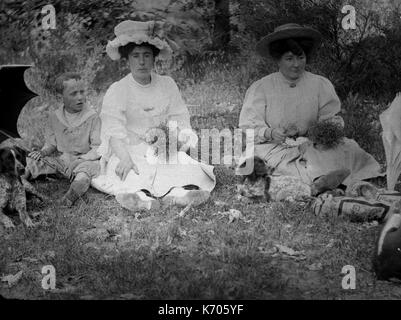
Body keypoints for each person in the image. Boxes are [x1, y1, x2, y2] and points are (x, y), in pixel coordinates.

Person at [238, 23, 383, 193]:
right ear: (278, 60)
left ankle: (327, 179)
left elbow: (330, 118)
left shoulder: (320, 84)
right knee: (267, 164)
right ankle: (319, 182)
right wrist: (270, 132)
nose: (296, 64)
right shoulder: (261, 87)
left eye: (301, 57)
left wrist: (321, 132)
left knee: (348, 148)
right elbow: (248, 125)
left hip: (313, 144)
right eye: (289, 58)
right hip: (274, 147)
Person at [91, 20, 215, 210]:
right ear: (127, 59)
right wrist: (124, 157)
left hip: (162, 149)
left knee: (188, 168)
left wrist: (174, 142)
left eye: (147, 55)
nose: (141, 62)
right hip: (129, 149)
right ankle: (141, 197)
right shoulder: (118, 89)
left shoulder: (167, 84)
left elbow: (180, 119)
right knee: (131, 172)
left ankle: (179, 193)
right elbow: (113, 130)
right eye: (136, 56)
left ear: (154, 58)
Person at [26, 72, 101, 206]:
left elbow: (98, 147)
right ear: (60, 96)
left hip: (85, 160)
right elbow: (51, 144)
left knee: (84, 174)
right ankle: (19, 184)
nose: (80, 97)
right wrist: (42, 153)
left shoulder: (92, 117)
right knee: (32, 162)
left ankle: (67, 200)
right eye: (73, 94)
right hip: (63, 160)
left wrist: (81, 160)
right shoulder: (55, 117)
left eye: (82, 92)